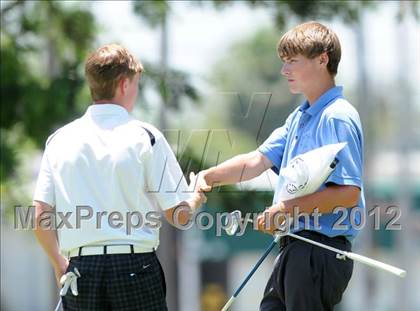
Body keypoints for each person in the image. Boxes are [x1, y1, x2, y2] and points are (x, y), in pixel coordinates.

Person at [197, 21, 364, 311]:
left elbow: (348, 192)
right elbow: (255, 161)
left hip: (319, 252)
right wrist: (207, 177)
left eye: (292, 62)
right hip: (293, 248)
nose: (284, 71)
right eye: (283, 62)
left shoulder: (337, 117)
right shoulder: (299, 118)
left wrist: (285, 209)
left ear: (322, 59)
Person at [33, 43, 206, 310]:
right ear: (123, 84)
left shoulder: (58, 140)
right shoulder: (146, 136)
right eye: (136, 84)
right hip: (136, 266)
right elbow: (178, 215)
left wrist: (59, 263)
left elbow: (40, 215)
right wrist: (194, 196)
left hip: (80, 269)